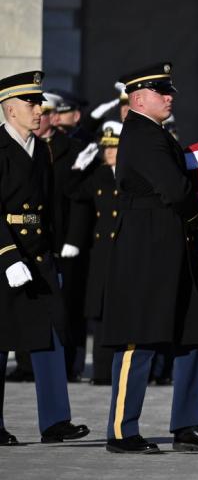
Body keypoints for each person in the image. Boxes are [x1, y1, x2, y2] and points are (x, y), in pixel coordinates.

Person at [100, 63, 198, 454]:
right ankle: (121, 429)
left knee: (195, 335)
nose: (170, 97)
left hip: (173, 248)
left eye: (170, 91)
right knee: (139, 340)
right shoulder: (143, 134)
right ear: (138, 98)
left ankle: (187, 422)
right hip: (146, 251)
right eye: (161, 92)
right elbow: (174, 189)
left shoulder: (156, 134)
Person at [0, 70, 89, 446]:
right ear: (8, 108)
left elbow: (48, 206)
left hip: (38, 257)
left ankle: (55, 421)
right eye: (30, 103)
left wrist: (53, 252)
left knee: (51, 336)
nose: (39, 109)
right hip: (6, 256)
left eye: (39, 102)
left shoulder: (40, 149)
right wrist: (7, 255)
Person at [35, 92, 96, 383]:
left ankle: (71, 363)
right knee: (34, 303)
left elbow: (81, 201)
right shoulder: (26, 147)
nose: (40, 118)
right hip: (37, 238)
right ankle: (27, 364)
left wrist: (74, 238)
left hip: (65, 240)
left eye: (45, 113)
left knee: (70, 305)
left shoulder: (72, 148)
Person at [72, 121, 124, 385]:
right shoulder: (99, 176)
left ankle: (122, 372)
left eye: (114, 147)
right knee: (101, 316)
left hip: (124, 252)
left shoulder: (130, 174)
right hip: (102, 253)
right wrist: (79, 168)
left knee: (122, 314)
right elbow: (73, 193)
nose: (110, 152)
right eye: (106, 147)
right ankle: (102, 373)